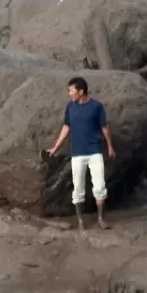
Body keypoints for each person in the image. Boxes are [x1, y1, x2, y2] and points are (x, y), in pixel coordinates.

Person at [46, 76, 115, 230]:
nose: (70, 93)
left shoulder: (97, 107)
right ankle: (81, 221)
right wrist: (56, 147)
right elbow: (66, 127)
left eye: (72, 90)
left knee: (99, 186)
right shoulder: (70, 107)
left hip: (95, 151)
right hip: (77, 153)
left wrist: (110, 146)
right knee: (78, 188)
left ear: (81, 91)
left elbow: (104, 127)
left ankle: (100, 218)